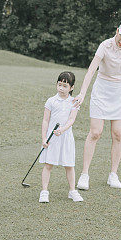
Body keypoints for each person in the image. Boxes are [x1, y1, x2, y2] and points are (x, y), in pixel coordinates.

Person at [72, 20, 121, 190]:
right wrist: (82, 93)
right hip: (102, 90)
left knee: (117, 134)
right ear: (117, 31)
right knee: (95, 132)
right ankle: (84, 174)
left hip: (120, 92)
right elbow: (91, 70)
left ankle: (113, 174)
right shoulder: (105, 45)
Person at [38, 71, 84, 203]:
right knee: (48, 164)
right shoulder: (51, 101)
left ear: (71, 87)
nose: (61, 88)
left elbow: (71, 119)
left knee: (69, 165)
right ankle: (44, 191)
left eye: (65, 86)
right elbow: (45, 120)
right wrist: (43, 138)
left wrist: (62, 130)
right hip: (51, 138)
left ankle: (72, 191)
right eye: (59, 85)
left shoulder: (74, 102)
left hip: (66, 137)